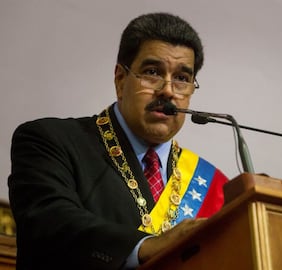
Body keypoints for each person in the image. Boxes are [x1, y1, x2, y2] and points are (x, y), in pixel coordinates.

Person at [8, 12, 228, 269]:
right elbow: (49, 221)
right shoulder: (49, 141)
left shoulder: (214, 187)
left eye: (181, 78)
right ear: (121, 80)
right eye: (152, 72)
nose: (168, 90)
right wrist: (144, 246)